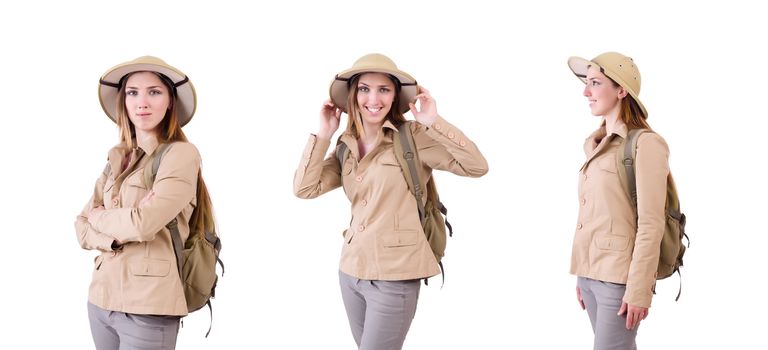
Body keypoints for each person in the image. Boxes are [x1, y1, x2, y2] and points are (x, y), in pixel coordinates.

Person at [294, 53, 488, 349]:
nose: (373, 98)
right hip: (350, 272)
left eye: (384, 89)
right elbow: (304, 189)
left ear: (395, 95)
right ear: (353, 95)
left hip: (395, 276)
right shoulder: (345, 145)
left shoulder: (412, 137)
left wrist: (434, 122)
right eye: (364, 89)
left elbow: (476, 166)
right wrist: (323, 134)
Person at [75, 56, 215, 350]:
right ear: (123, 102)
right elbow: (80, 226)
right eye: (133, 92)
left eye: (154, 92)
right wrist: (116, 230)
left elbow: (143, 224)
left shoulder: (180, 155)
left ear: (169, 103)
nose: (142, 102)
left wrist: (101, 217)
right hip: (100, 300)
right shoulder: (116, 157)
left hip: (149, 306)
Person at [567, 52, 670, 349]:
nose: (586, 92)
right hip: (591, 277)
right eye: (586, 83)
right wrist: (584, 275)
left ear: (621, 91)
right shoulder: (596, 144)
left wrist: (639, 290)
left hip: (620, 281)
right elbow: (598, 216)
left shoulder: (646, 144)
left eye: (595, 83)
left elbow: (651, 223)